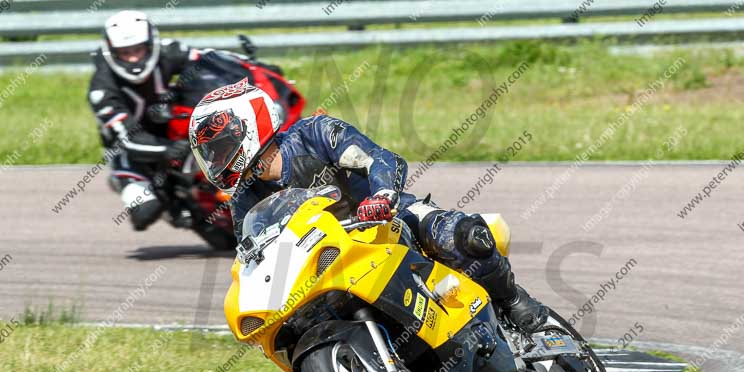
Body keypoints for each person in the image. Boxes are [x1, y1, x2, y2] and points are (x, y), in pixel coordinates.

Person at [187, 80, 548, 334]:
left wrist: (381, 196)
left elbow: (379, 159)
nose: (216, 160)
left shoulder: (315, 133)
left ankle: (515, 301)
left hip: (386, 221)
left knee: (464, 236)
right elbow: (251, 257)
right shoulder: (244, 199)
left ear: (248, 127)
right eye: (210, 155)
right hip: (326, 262)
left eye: (219, 147)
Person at [87, 10, 199, 230]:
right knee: (144, 214)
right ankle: (130, 183)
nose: (133, 58)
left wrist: (251, 67)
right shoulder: (101, 89)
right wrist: (168, 150)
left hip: (171, 125)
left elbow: (210, 59)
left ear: (150, 45)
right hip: (129, 151)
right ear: (111, 51)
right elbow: (127, 139)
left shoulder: (170, 51)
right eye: (124, 52)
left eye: (138, 50)